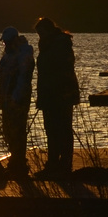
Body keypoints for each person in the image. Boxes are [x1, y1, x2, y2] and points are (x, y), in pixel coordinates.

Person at [33, 17, 79, 179]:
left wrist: (55, 92)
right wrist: (42, 96)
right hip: (48, 95)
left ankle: (65, 165)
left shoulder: (61, 44)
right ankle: (53, 164)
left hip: (62, 95)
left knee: (63, 129)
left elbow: (61, 71)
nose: (39, 36)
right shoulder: (47, 46)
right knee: (51, 130)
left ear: (48, 30)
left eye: (41, 33)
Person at [0, 26, 34, 175]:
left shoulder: (24, 54)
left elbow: (24, 80)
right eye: (4, 42)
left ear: (14, 40)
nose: (6, 45)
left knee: (18, 132)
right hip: (6, 102)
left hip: (18, 102)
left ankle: (19, 164)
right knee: (8, 132)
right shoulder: (7, 56)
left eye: (8, 42)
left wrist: (15, 98)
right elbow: (1, 79)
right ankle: (14, 160)